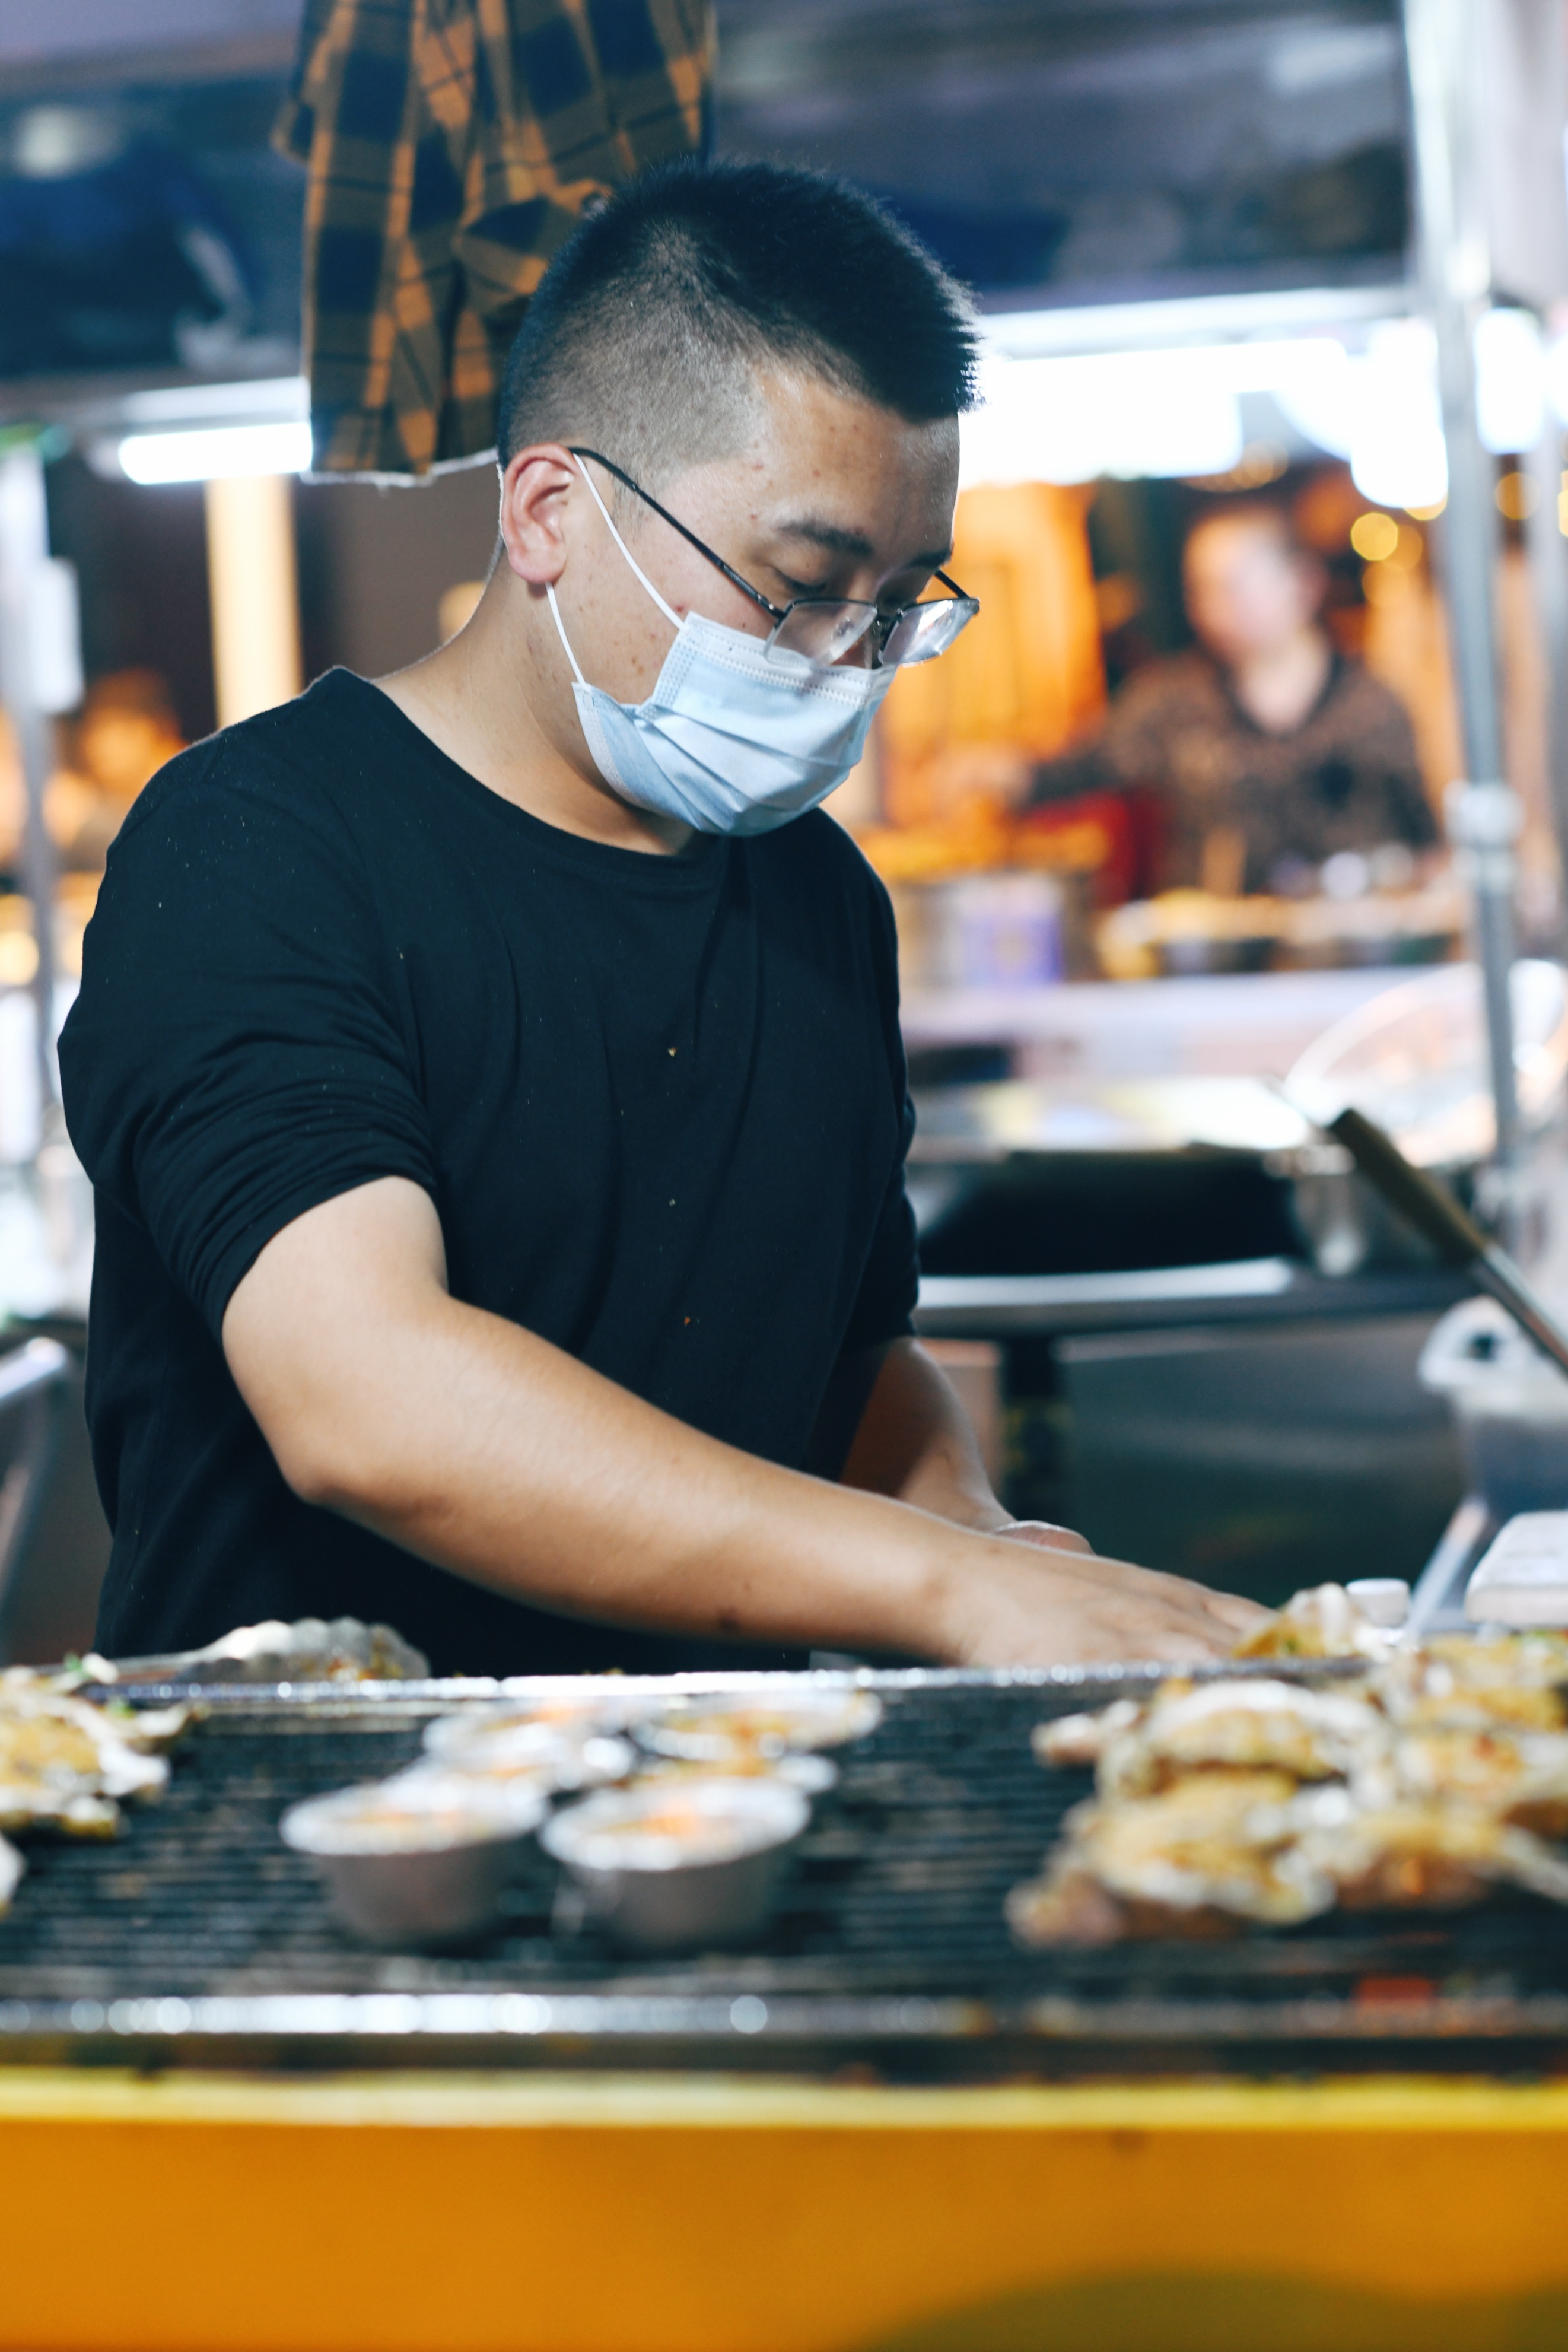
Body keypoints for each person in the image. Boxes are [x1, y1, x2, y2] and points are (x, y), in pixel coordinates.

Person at [61, 160, 1264, 1676]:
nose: (845, 662)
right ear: (551, 511)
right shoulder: (255, 847)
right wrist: (931, 1585)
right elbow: (365, 1401)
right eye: (800, 586)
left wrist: (962, 1526)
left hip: (725, 1812)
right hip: (322, 1845)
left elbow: (850, 1358)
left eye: (894, 606)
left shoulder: (814, 889)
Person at [1032, 501, 1438, 897]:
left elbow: (1425, 839)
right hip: (1214, 951)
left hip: (1353, 946)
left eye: (1233, 587)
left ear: (1303, 582)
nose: (1214, 610)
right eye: (1201, 590)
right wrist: (1003, 775)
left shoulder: (1371, 705)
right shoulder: (1173, 702)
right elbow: (1085, 764)